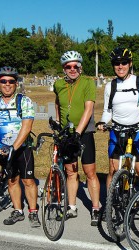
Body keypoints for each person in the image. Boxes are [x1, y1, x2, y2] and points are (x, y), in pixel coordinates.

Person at [0, 66, 39, 227]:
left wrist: (14, 147)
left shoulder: (24, 101)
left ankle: (33, 211)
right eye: (3, 81)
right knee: (11, 180)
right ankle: (18, 211)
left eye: (11, 81)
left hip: (23, 148)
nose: (7, 84)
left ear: (16, 83)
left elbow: (27, 127)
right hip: (3, 149)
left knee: (28, 181)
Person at [97, 47, 139, 191]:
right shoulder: (110, 86)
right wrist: (102, 122)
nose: (120, 66)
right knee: (112, 171)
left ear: (130, 63)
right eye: (117, 63)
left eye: (124, 62)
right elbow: (108, 111)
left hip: (137, 131)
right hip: (117, 131)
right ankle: (109, 206)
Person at [53, 51, 101, 226]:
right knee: (71, 172)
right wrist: (58, 122)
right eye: (68, 66)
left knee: (90, 172)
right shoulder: (58, 84)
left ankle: (95, 208)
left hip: (84, 133)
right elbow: (58, 103)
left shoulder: (88, 82)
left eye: (75, 66)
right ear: (64, 69)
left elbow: (89, 109)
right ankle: (72, 207)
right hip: (67, 133)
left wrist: (78, 133)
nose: (72, 69)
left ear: (80, 67)